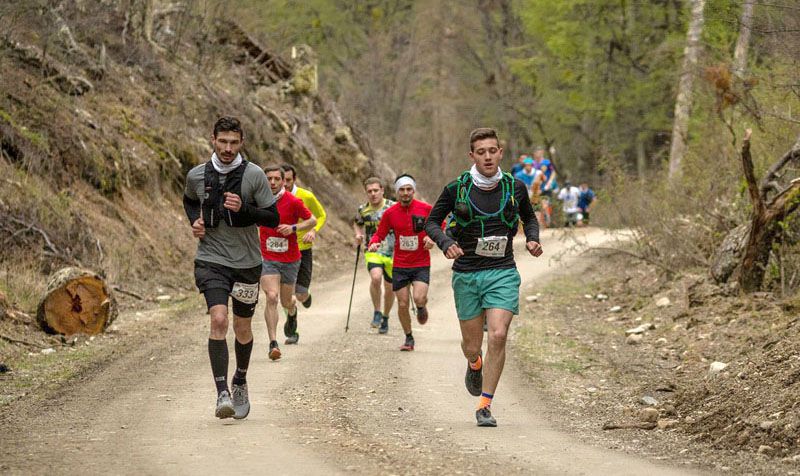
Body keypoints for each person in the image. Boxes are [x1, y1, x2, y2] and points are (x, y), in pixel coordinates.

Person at [425, 127, 542, 427]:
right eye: (481, 152)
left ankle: (485, 406)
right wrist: (446, 243)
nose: (488, 157)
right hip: (467, 274)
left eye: (492, 151)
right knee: (472, 346)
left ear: (500, 153)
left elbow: (529, 217)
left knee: (499, 334)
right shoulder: (457, 189)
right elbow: (432, 222)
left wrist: (532, 238)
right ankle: (474, 363)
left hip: (503, 271)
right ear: (472, 156)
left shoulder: (515, 187)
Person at [183, 116, 279, 420]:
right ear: (213, 139)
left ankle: (240, 380)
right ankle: (222, 392)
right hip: (211, 259)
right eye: (222, 142)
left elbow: (273, 218)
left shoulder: (254, 175)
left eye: (233, 143)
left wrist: (244, 209)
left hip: (247, 264)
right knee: (219, 319)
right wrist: (195, 221)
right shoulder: (197, 175)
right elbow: (189, 200)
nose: (227, 148)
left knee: (242, 327)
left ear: (242, 143)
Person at [367, 174, 435, 351]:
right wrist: (374, 242)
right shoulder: (390, 213)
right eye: (402, 190)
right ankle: (409, 337)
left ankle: (421, 306)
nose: (405, 193)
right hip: (400, 264)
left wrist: (431, 237)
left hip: (420, 262)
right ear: (397, 192)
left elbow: (440, 225)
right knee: (403, 303)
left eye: (409, 189)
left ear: (414, 190)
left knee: (419, 297)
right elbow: (380, 233)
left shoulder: (425, 208)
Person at [259, 166, 316, 357]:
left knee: (286, 301)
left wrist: (293, 228)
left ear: (284, 181)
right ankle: (273, 343)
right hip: (268, 257)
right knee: (271, 297)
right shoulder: (259, 200)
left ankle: (292, 312)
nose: (272, 182)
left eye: (277, 179)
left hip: (290, 259)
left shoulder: (293, 201)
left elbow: (312, 221)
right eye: (269, 178)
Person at [281, 164, 326, 313]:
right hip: (283, 250)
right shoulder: (273, 197)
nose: (285, 184)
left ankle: (305, 296)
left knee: (300, 294)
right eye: (283, 180)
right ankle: (291, 318)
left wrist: (313, 230)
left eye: (288, 180)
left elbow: (321, 215)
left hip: (303, 249)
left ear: (294, 179)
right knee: (286, 292)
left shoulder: (306, 196)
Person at [354, 177, 396, 333]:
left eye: (376, 190)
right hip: (373, 251)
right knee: (376, 278)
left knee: (390, 287)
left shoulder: (393, 207)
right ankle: (377, 311)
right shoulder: (363, 209)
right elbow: (357, 223)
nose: (373, 194)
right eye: (369, 191)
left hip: (392, 252)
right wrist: (358, 234)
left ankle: (386, 316)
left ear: (382, 190)